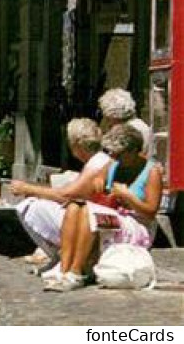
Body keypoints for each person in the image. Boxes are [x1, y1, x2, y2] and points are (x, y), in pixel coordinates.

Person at [43, 123, 163, 292]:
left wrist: (128, 196)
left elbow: (151, 212)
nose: (115, 157)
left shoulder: (152, 172)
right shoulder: (113, 164)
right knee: (75, 207)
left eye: (120, 154)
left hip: (137, 224)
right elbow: (99, 178)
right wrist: (98, 181)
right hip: (113, 216)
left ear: (134, 150)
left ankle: (76, 272)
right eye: (112, 154)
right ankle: (64, 268)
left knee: (89, 212)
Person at [10, 118, 110, 273]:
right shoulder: (96, 160)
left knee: (31, 206)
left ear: (76, 145)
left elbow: (68, 194)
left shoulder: (97, 163)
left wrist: (27, 188)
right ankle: (63, 258)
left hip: (88, 219)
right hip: (86, 214)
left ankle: (64, 257)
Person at [98, 88, 152, 156]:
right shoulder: (141, 125)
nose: (107, 122)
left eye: (107, 118)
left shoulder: (128, 131)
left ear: (113, 115)